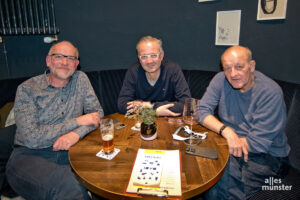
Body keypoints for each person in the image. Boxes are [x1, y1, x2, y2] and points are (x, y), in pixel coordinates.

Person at [6, 41, 103, 200]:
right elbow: (32, 138)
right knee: (69, 186)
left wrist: (75, 135)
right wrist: (77, 122)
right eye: (59, 57)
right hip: (29, 155)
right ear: (48, 61)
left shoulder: (81, 79)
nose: (65, 62)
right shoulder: (27, 89)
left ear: (76, 64)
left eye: (70, 58)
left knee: (108, 169)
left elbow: (97, 113)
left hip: (71, 150)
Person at [196, 46, 290, 200]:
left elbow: (257, 143)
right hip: (232, 147)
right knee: (200, 166)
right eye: (227, 68)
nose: (233, 74)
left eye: (239, 67)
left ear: (251, 66)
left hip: (267, 156)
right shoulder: (220, 79)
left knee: (219, 185)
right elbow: (201, 111)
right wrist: (226, 131)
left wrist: (222, 147)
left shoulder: (270, 92)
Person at [118, 36, 191, 116]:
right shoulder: (134, 71)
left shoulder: (173, 70)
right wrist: (155, 112)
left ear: (161, 55)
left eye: (153, 55)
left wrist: (149, 105)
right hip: (142, 123)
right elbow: (122, 104)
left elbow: (186, 105)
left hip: (168, 124)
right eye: (144, 57)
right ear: (139, 58)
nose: (149, 61)